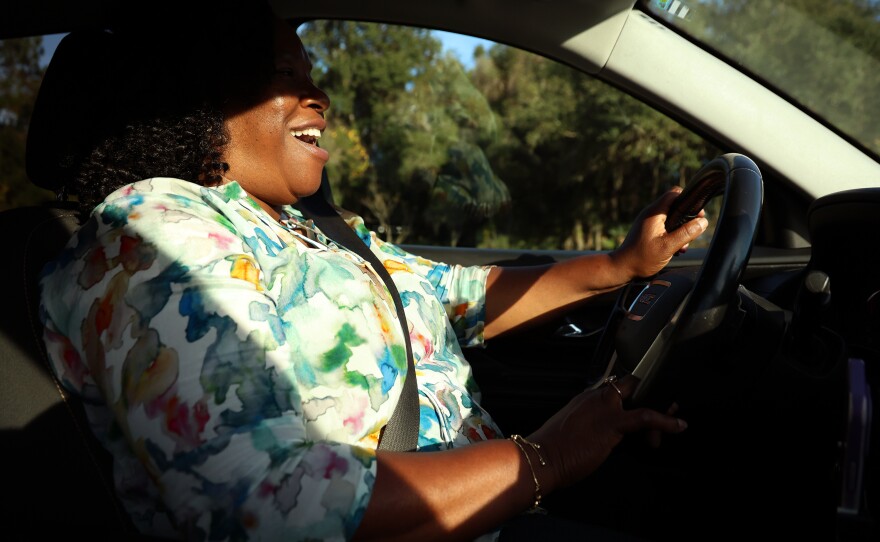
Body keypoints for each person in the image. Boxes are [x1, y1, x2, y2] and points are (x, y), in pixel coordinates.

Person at [37, 1, 708, 541]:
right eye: (284, 74)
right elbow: (269, 508)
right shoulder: (148, 234)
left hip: (495, 510)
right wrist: (546, 460)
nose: (317, 94)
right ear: (201, 99)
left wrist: (622, 264)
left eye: (311, 72)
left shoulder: (313, 229)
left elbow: (459, 297)